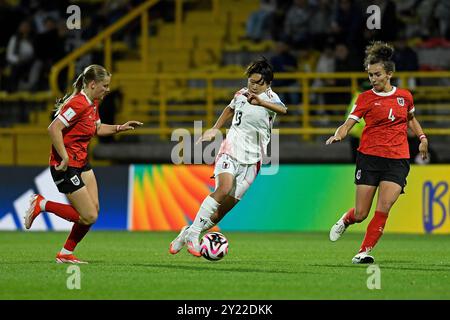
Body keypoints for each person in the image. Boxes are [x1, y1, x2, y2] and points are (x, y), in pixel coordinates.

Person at [24, 64, 143, 264]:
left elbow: (97, 128)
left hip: (82, 163)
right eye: (105, 85)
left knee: (94, 210)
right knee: (88, 216)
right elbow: (54, 129)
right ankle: (42, 204)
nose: (108, 89)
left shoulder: (93, 103)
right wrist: (64, 156)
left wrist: (120, 128)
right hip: (65, 165)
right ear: (92, 84)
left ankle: (65, 253)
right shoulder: (78, 103)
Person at [169, 58, 287, 257]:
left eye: (257, 82)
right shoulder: (241, 94)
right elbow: (230, 109)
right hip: (231, 150)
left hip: (253, 161)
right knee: (223, 188)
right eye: (251, 80)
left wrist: (262, 102)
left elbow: (283, 109)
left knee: (218, 214)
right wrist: (215, 129)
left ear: (267, 83)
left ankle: (186, 233)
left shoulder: (271, 99)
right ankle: (194, 234)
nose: (252, 85)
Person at [326, 42, 428, 264]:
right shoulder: (365, 98)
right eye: (370, 75)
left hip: (398, 159)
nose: (373, 79)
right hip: (370, 158)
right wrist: (340, 134)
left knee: (384, 206)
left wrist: (422, 138)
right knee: (362, 213)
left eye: (377, 74)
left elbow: (411, 119)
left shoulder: (405, 96)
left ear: (389, 74)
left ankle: (363, 251)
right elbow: (349, 122)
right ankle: (347, 219)